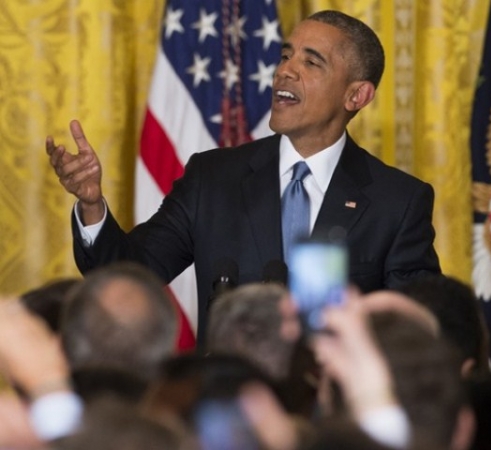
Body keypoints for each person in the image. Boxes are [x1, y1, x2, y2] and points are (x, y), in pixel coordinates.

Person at [46, 10, 441, 341]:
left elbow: (414, 331)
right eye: (286, 56)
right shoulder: (213, 178)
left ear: (356, 95)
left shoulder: (398, 202)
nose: (285, 70)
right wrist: (92, 205)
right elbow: (127, 275)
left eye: (311, 61)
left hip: (333, 423)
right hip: (228, 412)